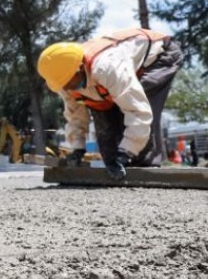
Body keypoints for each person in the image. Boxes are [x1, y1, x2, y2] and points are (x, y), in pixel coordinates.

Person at [37, 27, 184, 181]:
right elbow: (75, 115)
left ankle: (145, 169)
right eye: (62, 84)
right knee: (108, 144)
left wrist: (126, 152)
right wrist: (77, 148)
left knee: (141, 100)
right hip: (115, 72)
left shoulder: (107, 68)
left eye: (68, 82)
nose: (66, 87)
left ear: (79, 68)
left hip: (158, 57)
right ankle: (118, 166)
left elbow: (138, 111)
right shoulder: (63, 80)